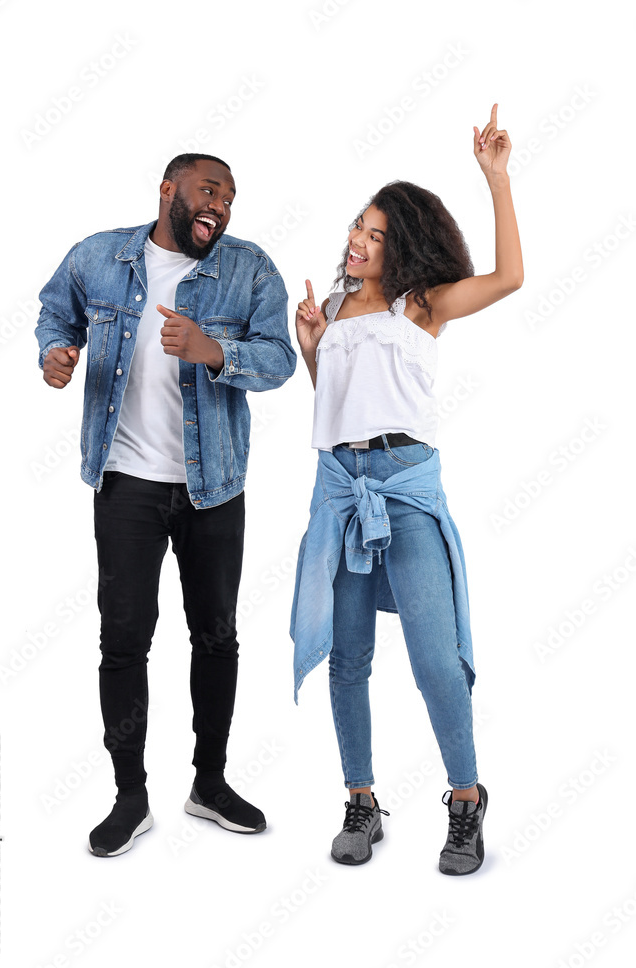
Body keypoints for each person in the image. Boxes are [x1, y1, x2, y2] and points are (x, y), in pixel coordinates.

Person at [35, 153, 296, 856]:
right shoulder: (100, 255)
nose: (222, 205)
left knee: (216, 635)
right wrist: (56, 352)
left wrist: (215, 351)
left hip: (214, 487)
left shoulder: (249, 268)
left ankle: (208, 784)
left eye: (231, 198)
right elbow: (55, 312)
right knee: (123, 640)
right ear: (168, 190)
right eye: (210, 190)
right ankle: (130, 794)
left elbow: (279, 359)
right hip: (126, 482)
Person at [291, 104, 523, 874]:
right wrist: (311, 351)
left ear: (404, 247)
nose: (357, 241)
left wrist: (495, 179)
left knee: (435, 658)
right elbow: (336, 407)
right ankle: (360, 799)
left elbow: (510, 278)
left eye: (376, 234)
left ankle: (465, 801)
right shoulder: (330, 310)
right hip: (340, 490)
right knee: (346, 656)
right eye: (357, 226)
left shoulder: (420, 304)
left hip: (405, 491)